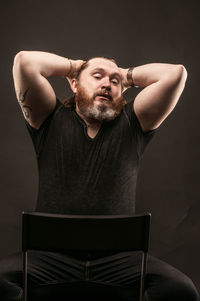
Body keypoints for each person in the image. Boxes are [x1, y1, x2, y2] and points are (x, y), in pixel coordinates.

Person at [0, 51, 198, 301]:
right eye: (97, 76)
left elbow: (176, 73)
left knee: (180, 291)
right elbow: (24, 61)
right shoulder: (49, 118)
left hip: (120, 260)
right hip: (48, 257)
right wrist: (76, 67)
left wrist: (125, 76)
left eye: (114, 82)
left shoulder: (134, 123)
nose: (107, 83)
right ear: (74, 83)